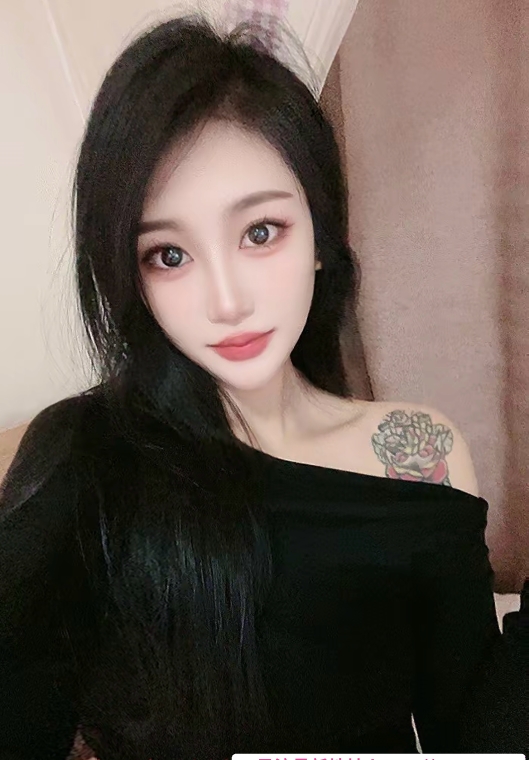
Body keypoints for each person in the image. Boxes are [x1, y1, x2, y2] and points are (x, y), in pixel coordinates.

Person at [0, 13, 527, 760]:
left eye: (259, 233)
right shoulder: (84, 456)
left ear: (319, 235)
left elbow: (472, 741)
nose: (226, 301)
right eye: (169, 255)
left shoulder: (418, 453)